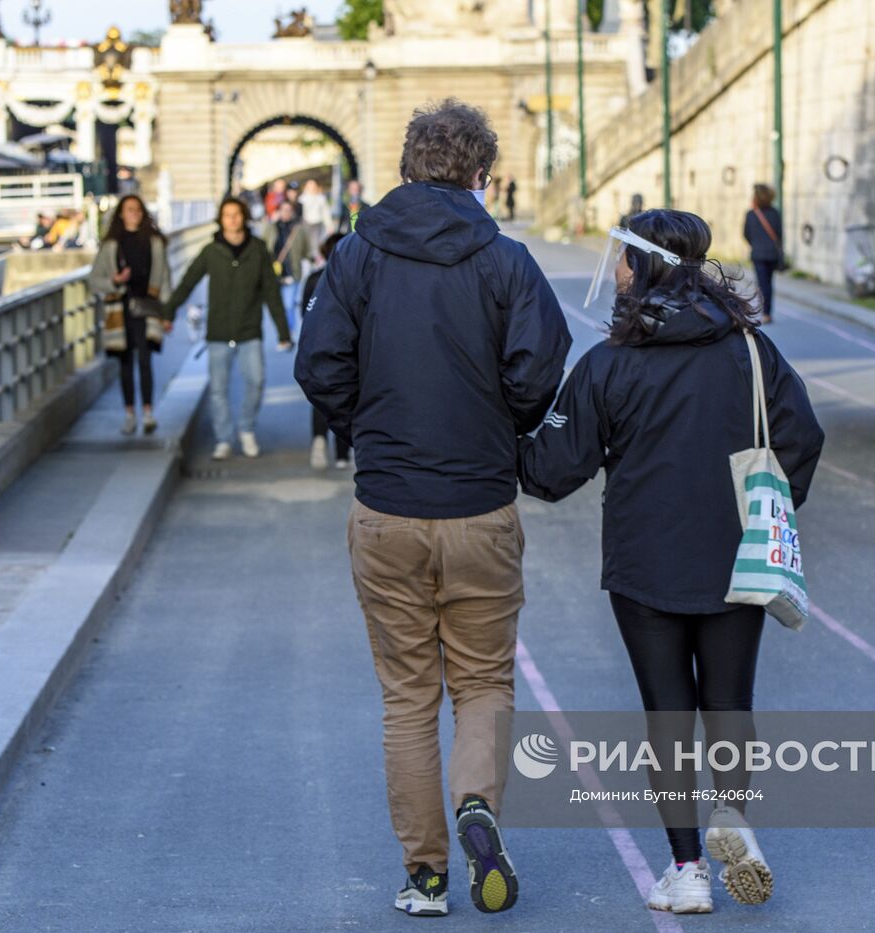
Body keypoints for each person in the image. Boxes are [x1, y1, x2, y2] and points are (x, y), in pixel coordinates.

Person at [296, 98, 571, 919]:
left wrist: (367, 425)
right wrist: (499, 424)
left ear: (410, 164)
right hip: (481, 503)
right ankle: (477, 801)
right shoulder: (506, 259)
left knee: (407, 696)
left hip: (387, 505)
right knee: (483, 679)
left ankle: (426, 873)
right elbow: (538, 369)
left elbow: (319, 364)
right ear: (480, 174)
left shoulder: (358, 256)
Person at [518, 210, 824, 915]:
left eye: (621, 258)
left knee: (667, 712)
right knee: (728, 700)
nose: (615, 271)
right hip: (737, 556)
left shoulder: (610, 362)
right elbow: (803, 434)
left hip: (644, 562)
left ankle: (687, 870)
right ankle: (735, 818)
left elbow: (551, 470)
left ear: (646, 265)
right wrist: (770, 505)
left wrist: (498, 428)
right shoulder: (749, 350)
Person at [163, 197, 292, 461]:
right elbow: (188, 281)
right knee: (218, 389)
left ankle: (246, 429)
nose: (232, 219)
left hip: (249, 329)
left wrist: (283, 332)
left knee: (256, 381)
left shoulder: (257, 249)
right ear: (220, 219)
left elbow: (271, 291)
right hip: (219, 331)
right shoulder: (212, 251)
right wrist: (168, 312)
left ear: (243, 216)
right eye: (227, 215)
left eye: (236, 214)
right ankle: (223, 438)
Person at [89, 194, 173, 435]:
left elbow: (165, 279)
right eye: (129, 209)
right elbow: (94, 279)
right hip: (120, 308)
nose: (134, 213)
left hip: (147, 307)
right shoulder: (111, 244)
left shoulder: (154, 241)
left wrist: (167, 313)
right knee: (124, 363)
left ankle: (147, 412)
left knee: (145, 360)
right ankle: (129, 414)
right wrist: (114, 280)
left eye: (137, 209)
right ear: (121, 214)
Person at [301, 231, 351, 470]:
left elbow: (305, 316)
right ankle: (342, 454)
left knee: (323, 398)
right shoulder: (357, 278)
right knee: (349, 398)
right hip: (351, 351)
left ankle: (319, 444)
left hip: (321, 351)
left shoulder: (314, 279)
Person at [262, 200, 312, 334]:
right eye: (283, 210)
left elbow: (306, 250)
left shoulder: (298, 230)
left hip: (292, 271)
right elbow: (262, 247)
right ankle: (283, 330)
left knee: (288, 304)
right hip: (274, 272)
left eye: (289, 210)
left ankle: (289, 330)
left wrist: (314, 259)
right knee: (278, 305)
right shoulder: (271, 227)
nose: (286, 213)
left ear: (293, 212)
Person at [743, 184, 783, 324]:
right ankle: (767, 312)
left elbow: (746, 234)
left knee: (762, 283)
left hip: (758, 254)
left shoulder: (751, 214)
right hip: (772, 254)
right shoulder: (775, 213)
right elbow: (779, 234)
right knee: (769, 283)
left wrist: (756, 244)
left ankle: (764, 312)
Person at [299, 178, 332, 246]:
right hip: (306, 224)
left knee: (317, 244)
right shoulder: (302, 198)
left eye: (313, 186)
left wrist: (329, 226)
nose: (311, 188)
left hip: (318, 224)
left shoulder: (321, 198)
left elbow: (326, 213)